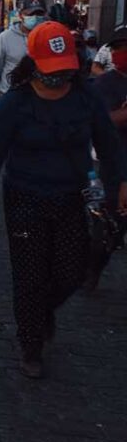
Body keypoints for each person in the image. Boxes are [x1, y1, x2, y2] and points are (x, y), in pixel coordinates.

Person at [0, 22, 127, 378]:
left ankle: (42, 312)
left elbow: (107, 143)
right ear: (34, 62)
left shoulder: (86, 97)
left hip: (72, 196)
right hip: (24, 198)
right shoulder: (15, 103)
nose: (59, 76)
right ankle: (31, 343)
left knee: (72, 271)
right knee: (30, 275)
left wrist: (120, 182)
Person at [84, 25, 127, 289]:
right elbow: (97, 123)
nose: (122, 53)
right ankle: (93, 268)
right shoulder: (102, 85)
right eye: (118, 49)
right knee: (110, 225)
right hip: (111, 165)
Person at [0, 0, 47, 116]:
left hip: (41, 99)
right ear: (21, 15)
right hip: (10, 98)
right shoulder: (5, 38)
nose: (35, 17)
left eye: (39, 14)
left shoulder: (49, 37)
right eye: (31, 14)